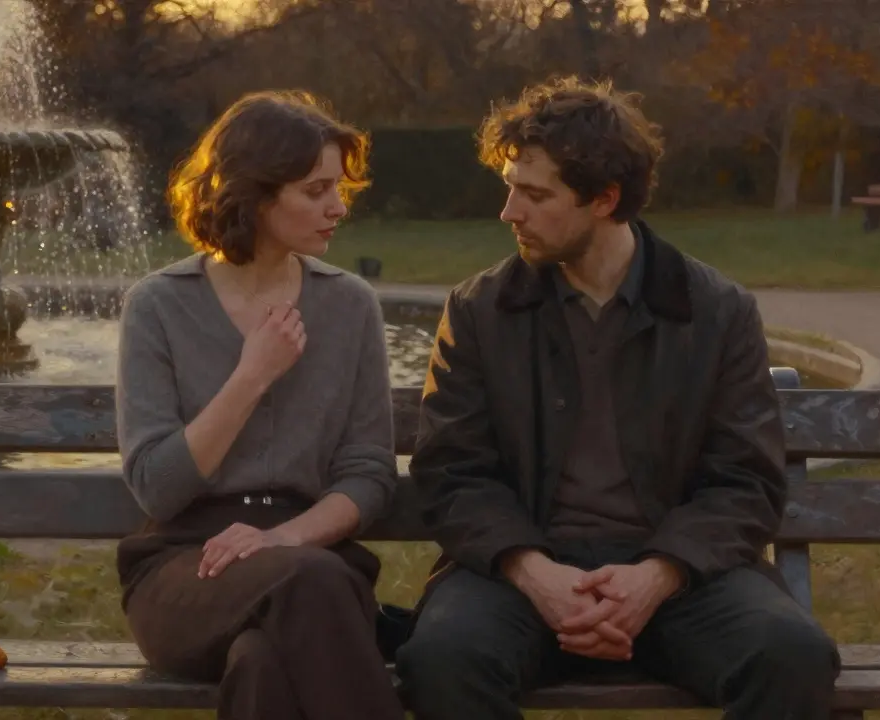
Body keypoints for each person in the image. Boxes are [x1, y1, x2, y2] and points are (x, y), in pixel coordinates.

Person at [395, 76, 840, 719]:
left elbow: (746, 482)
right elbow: (451, 472)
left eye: (535, 194)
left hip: (680, 574)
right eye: (510, 188)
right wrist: (534, 572)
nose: (509, 212)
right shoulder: (481, 309)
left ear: (604, 199)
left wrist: (658, 574)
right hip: (521, 573)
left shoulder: (715, 311)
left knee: (790, 653)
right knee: (442, 657)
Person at [112, 90, 405, 720]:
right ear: (255, 193)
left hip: (312, 557)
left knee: (263, 664)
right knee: (313, 585)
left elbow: (370, 474)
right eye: (315, 190)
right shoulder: (159, 305)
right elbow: (158, 490)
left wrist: (284, 538)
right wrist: (252, 375)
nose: (337, 206)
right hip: (183, 571)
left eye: (338, 187)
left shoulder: (349, 306)